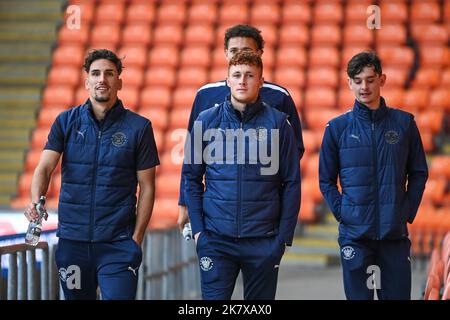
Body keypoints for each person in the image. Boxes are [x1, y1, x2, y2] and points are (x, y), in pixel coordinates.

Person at [24, 49, 159, 300]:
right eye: (95, 73)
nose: (102, 79)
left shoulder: (140, 127)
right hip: (72, 245)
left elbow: (148, 187)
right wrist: (35, 199)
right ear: (86, 82)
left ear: (119, 81)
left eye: (109, 73)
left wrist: (136, 239)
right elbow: (44, 167)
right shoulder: (66, 121)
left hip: (118, 246)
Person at [183, 52, 300, 300]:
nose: (242, 81)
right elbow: (191, 179)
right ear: (227, 80)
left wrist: (282, 239)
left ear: (261, 81)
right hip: (215, 240)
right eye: (236, 75)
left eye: (249, 75)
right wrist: (199, 233)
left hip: (263, 241)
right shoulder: (205, 121)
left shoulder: (279, 124)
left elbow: (291, 183)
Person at [319, 52, 428, 300]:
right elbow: (325, 180)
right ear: (349, 83)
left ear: (382, 79)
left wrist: (405, 210)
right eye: (357, 81)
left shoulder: (404, 123)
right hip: (355, 238)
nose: (364, 87)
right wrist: (343, 212)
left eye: (370, 79)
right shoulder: (337, 129)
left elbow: (419, 172)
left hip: (394, 237)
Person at [178, 24, 304, 232]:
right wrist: (184, 203)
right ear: (225, 53)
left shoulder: (280, 97)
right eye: (234, 51)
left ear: (259, 53)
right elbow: (192, 156)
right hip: (218, 213)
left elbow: (295, 150)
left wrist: (262, 184)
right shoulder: (205, 95)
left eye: (246, 51)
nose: (239, 55)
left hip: (261, 212)